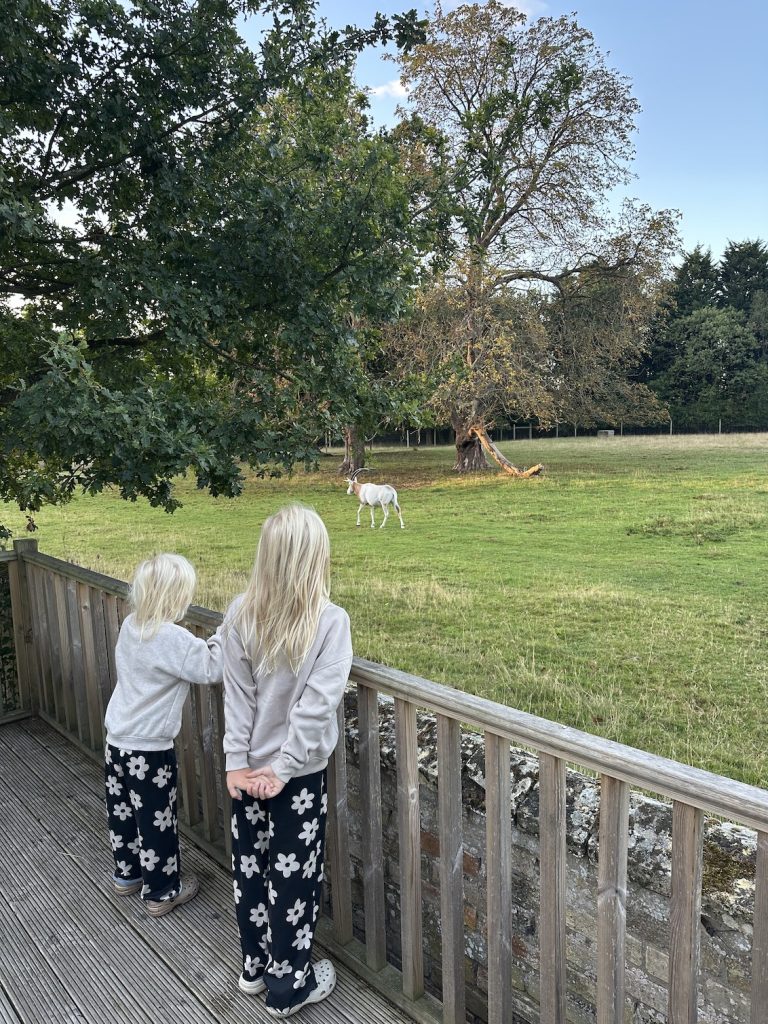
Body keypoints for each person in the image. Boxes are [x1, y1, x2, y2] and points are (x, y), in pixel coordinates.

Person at [223, 504, 352, 1018]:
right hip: (293, 777)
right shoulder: (330, 622)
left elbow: (237, 697)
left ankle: (255, 966)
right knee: (294, 878)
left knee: (251, 870)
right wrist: (284, 767)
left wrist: (238, 764)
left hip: (249, 773)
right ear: (315, 558)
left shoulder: (240, 613)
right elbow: (317, 707)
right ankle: (288, 985)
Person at [104, 553, 224, 917]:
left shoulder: (131, 625)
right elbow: (211, 668)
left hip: (117, 741)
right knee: (157, 820)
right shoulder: (173, 638)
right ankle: (162, 891)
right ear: (176, 598)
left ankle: (127, 875)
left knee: (122, 813)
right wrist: (224, 635)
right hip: (149, 751)